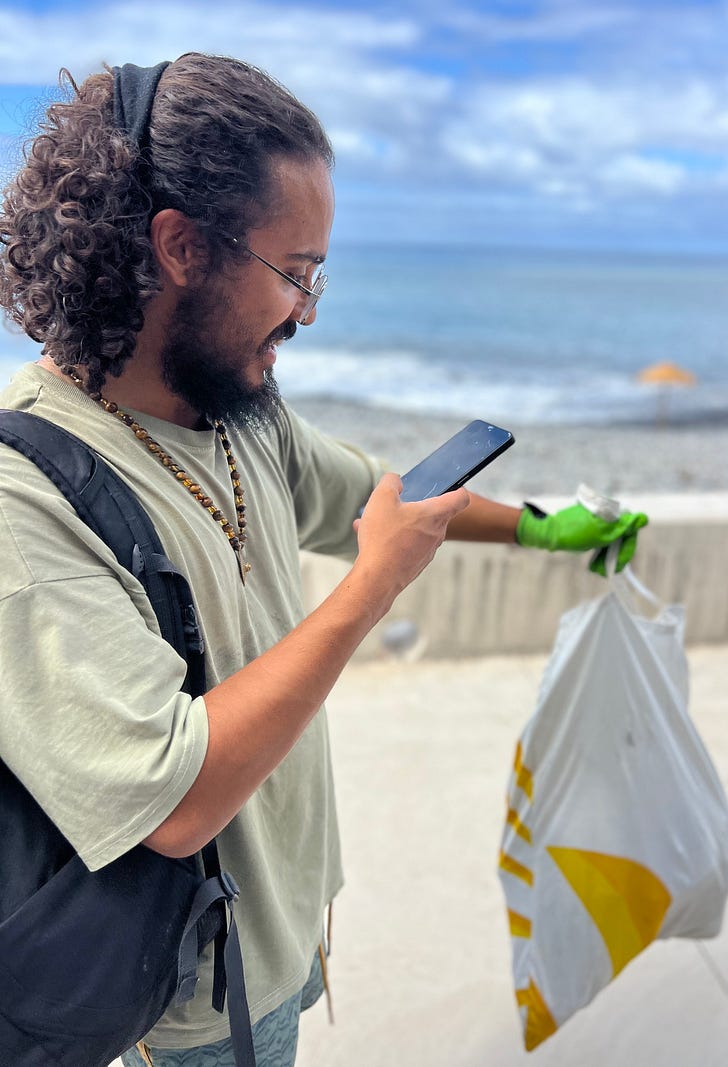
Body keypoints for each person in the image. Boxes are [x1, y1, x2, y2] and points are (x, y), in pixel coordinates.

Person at [0, 55, 646, 1066]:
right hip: (193, 997)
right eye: (295, 271)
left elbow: (379, 500)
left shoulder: (235, 408)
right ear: (180, 246)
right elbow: (173, 799)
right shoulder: (24, 492)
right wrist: (371, 585)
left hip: (289, 920)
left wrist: (539, 526)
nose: (308, 311)